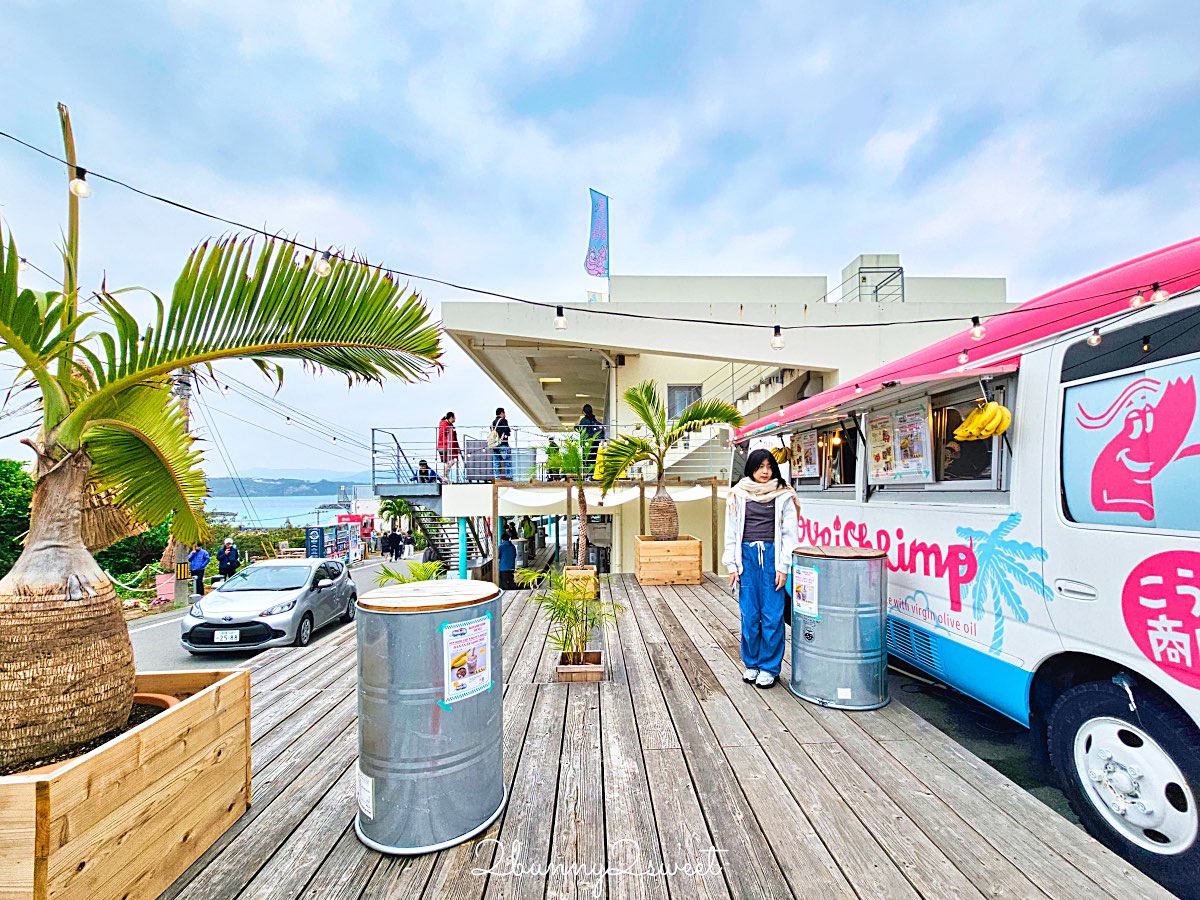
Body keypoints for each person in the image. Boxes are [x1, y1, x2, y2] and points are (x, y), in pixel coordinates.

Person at [722, 449, 800, 690]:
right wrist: (732, 566)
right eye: (759, 467)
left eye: (769, 466)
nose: (765, 472)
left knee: (772, 615)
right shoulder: (737, 494)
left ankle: (769, 667)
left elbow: (790, 535)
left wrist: (783, 566)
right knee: (749, 614)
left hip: (772, 558)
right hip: (746, 558)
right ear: (751, 469)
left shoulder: (784, 495)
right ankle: (752, 664)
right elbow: (731, 532)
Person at [577, 404, 605, 475]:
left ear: (584, 411)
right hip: (596, 444)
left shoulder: (584, 421)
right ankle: (595, 474)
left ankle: (588, 475)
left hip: (587, 444)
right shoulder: (594, 420)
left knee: (587, 460)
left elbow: (580, 429)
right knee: (595, 459)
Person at [436, 413, 461, 483]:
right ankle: (443, 475)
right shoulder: (445, 425)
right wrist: (450, 444)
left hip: (448, 446)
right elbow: (443, 436)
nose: (455, 419)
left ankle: (445, 476)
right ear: (451, 417)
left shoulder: (448, 425)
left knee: (450, 461)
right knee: (452, 460)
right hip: (446, 446)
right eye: (454, 417)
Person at [491, 407, 513, 481]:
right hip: (503, 444)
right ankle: (508, 477)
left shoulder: (493, 422)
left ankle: (497, 478)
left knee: (496, 463)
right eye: (504, 413)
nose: (505, 414)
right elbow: (507, 432)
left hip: (495, 445)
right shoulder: (504, 421)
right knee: (508, 462)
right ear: (501, 413)